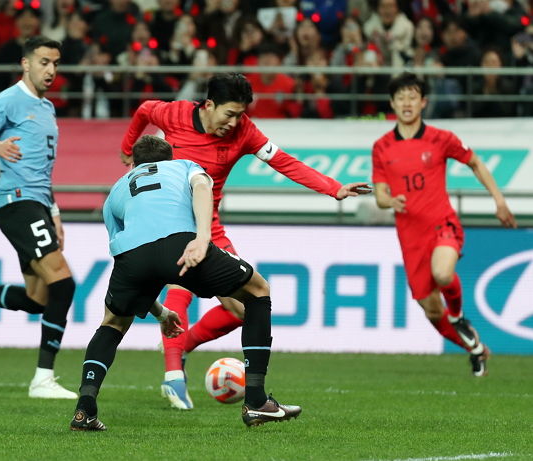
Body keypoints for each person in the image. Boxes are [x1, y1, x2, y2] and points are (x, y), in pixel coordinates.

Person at [120, 73, 371, 410]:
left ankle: (182, 349)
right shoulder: (174, 114)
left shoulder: (245, 131)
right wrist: (127, 151)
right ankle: (173, 377)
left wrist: (332, 187)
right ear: (208, 105)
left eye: (240, 114)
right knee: (180, 288)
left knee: (244, 306)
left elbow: (284, 161)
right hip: (169, 224)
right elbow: (144, 111)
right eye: (229, 114)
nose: (235, 122)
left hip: (209, 226)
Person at [70, 135, 302, 431]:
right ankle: (256, 402)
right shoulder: (183, 165)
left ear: (133, 163)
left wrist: (161, 313)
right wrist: (203, 237)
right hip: (182, 243)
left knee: (113, 323)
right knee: (258, 291)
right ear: (170, 157)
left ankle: (84, 411)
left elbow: (130, 257)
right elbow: (203, 187)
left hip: (131, 258)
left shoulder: (116, 190)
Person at [371, 72, 517, 377]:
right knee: (431, 310)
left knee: (443, 272)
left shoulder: (441, 138)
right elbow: (380, 194)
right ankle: (476, 349)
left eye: (412, 96)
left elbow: (475, 162)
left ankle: (459, 314)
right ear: (392, 104)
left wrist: (499, 200)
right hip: (410, 238)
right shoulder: (382, 147)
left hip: (442, 224)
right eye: (401, 97)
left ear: (423, 102)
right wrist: (390, 202)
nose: (407, 102)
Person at [0, 36, 78, 399]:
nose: (51, 70)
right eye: (44, 62)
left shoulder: (47, 108)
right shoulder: (9, 100)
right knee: (64, 283)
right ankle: (43, 378)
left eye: (55, 63)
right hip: (16, 201)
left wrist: (54, 214)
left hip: (38, 203)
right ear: (26, 63)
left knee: (38, 298)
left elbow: (43, 169)